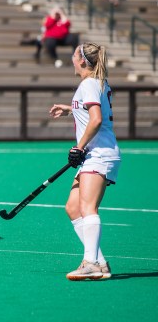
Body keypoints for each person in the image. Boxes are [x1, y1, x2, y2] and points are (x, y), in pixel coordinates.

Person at [49, 42, 121, 281]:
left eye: (73, 55)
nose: (71, 59)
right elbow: (91, 110)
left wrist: (78, 147)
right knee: (72, 207)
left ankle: (90, 263)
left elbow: (97, 119)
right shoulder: (97, 82)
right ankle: (98, 261)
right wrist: (71, 109)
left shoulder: (88, 83)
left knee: (88, 208)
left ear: (81, 60)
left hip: (98, 153)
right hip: (95, 154)